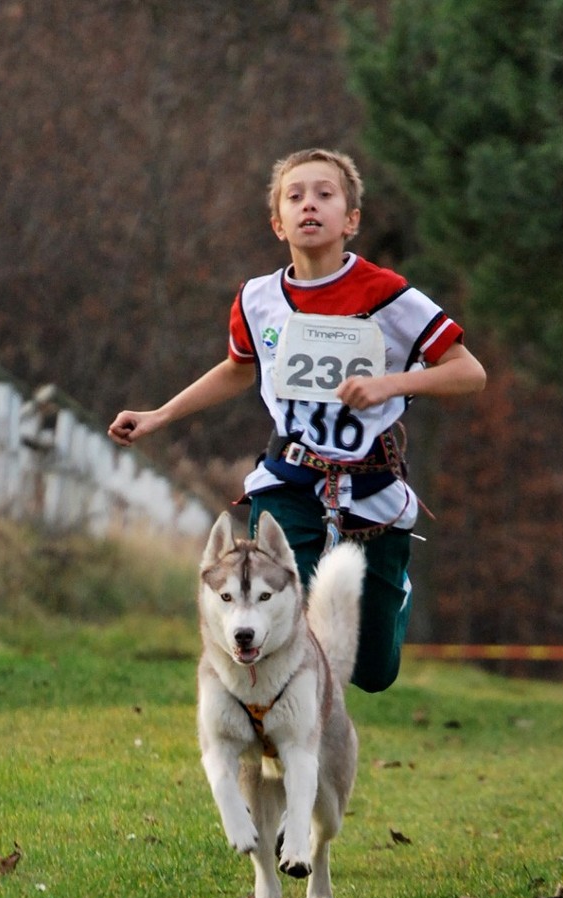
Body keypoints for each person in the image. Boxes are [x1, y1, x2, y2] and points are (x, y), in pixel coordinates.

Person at [109, 147, 486, 693]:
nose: (309, 205)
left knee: (374, 673)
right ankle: (280, 746)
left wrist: (389, 383)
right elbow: (240, 368)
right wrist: (160, 414)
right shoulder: (257, 299)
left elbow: (468, 372)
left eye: (325, 195)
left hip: (371, 484)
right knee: (276, 626)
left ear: (350, 221)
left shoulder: (387, 295)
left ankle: (393, 589)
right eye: (295, 196)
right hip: (289, 479)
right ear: (277, 223)